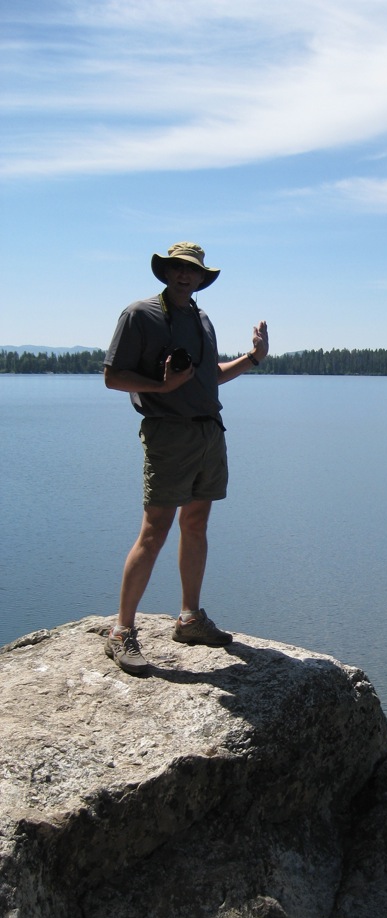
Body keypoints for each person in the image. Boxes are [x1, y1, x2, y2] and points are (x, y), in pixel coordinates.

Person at [103, 241, 269, 676]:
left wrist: (253, 358)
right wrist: (161, 388)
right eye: (178, 268)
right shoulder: (140, 315)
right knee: (155, 530)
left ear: (200, 278)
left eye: (192, 270)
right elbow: (113, 376)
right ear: (166, 272)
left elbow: (210, 376)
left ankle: (189, 618)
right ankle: (121, 632)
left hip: (207, 432)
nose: (185, 275)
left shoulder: (201, 318)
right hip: (168, 434)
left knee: (195, 523)